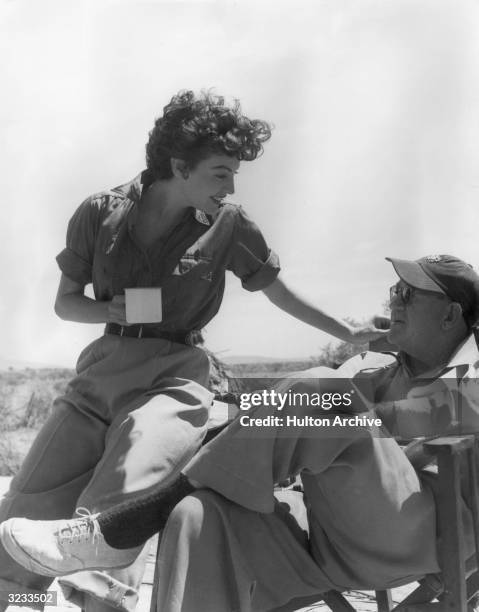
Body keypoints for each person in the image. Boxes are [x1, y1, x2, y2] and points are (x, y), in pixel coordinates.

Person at [0, 90, 386, 612]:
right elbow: (66, 304)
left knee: (132, 474)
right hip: (102, 370)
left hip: (176, 375)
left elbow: (278, 291)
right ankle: (20, 600)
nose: (230, 187)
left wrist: (351, 334)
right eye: (221, 172)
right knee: (27, 504)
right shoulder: (98, 212)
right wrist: (108, 313)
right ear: (180, 166)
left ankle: (101, 600)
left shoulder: (230, 224)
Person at [2, 254, 479, 612]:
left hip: (421, 536)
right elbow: (290, 412)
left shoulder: (471, 380)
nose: (394, 300)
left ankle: (121, 527)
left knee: (322, 390)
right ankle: (137, 521)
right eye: (394, 290)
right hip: (329, 528)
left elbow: (375, 417)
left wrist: (321, 418)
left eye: (409, 294)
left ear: (451, 314)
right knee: (196, 512)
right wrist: (223, 411)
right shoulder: (374, 366)